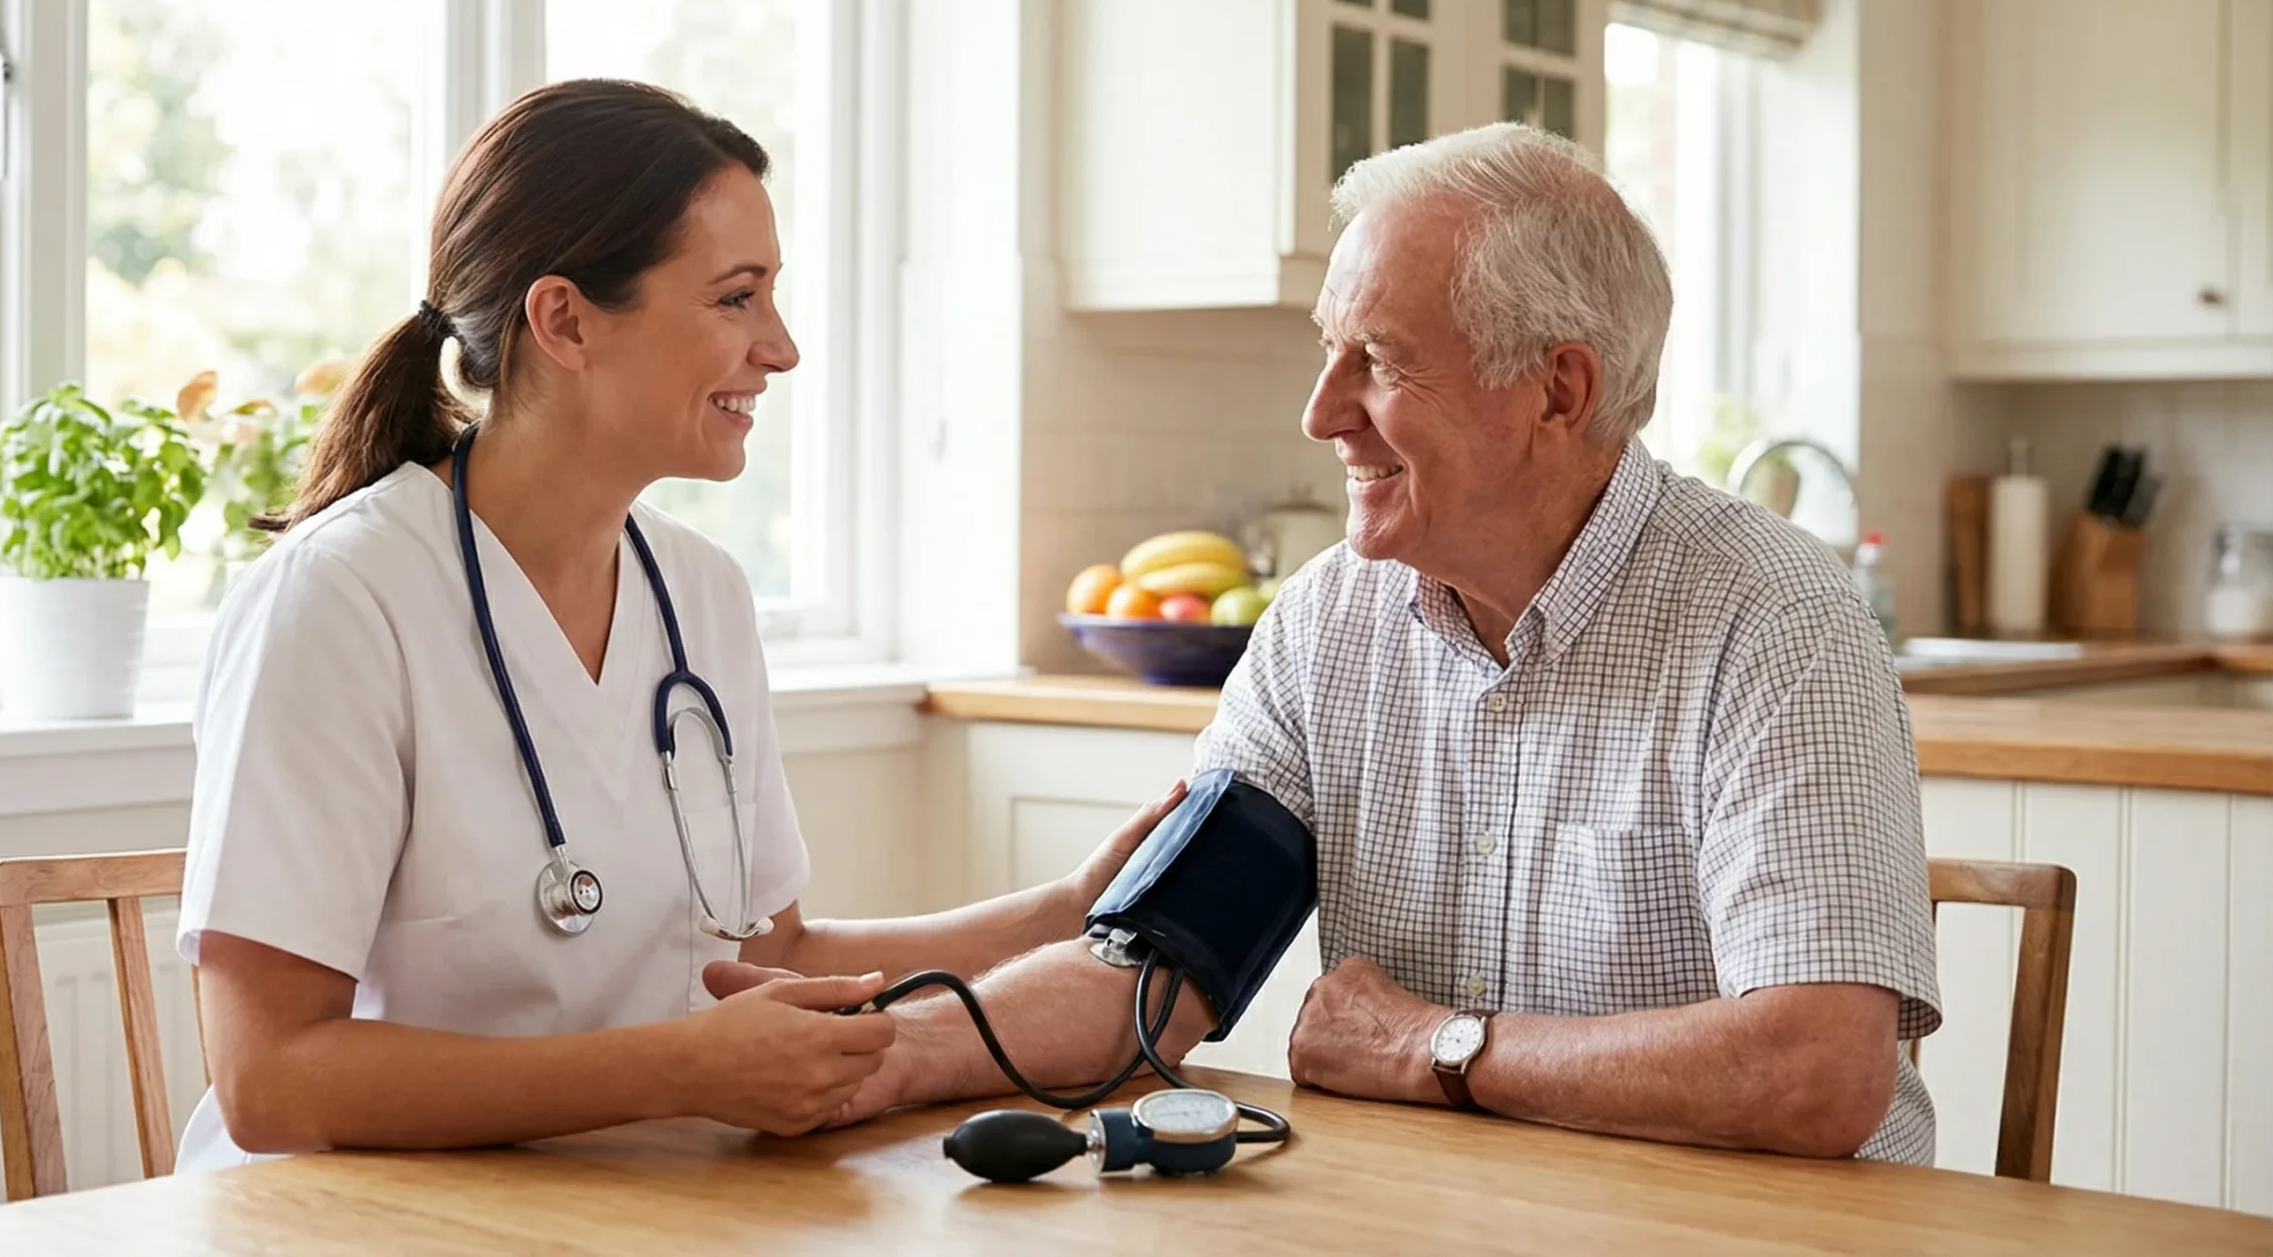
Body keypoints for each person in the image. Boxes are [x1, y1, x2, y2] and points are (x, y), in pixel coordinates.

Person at [764, 123, 1944, 1163]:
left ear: (1557, 391)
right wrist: (882, 1057)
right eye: (1329, 351)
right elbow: (1151, 975)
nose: (1321, 412)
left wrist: (1437, 1047)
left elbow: (1817, 1071)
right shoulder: (1329, 621)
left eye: (1376, 360)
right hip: (1436, 1211)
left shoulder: (1773, 618)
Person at [174, 79, 1184, 1171]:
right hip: (356, 1222)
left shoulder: (699, 592)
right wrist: (680, 1070)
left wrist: (1068, 907)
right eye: (735, 299)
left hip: (623, 1198)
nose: (783, 348)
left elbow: (770, 949)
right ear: (564, 320)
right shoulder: (340, 599)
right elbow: (269, 1082)